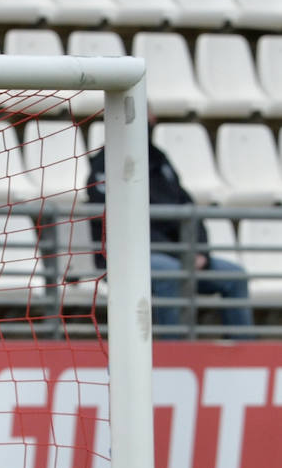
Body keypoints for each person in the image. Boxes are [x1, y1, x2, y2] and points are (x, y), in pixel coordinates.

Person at [87, 120, 253, 337]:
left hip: (181, 254)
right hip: (127, 259)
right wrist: (183, 254)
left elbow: (188, 207)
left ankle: (241, 354)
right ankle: (174, 353)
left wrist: (200, 251)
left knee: (235, 277)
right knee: (171, 273)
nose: (148, 122)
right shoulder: (105, 165)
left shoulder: (159, 159)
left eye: (150, 117)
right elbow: (123, 227)